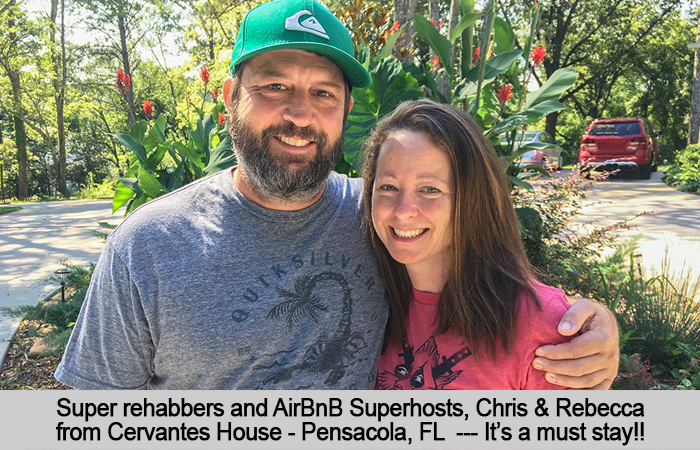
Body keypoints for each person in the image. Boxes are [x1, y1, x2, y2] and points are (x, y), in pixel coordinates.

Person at [55, 0, 618, 390]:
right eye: (274, 86)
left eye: (323, 93)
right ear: (230, 97)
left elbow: (486, 275)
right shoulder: (147, 246)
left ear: (347, 111)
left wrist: (589, 323)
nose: (299, 114)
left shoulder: (380, 216)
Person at [364, 100, 603, 390]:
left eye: (430, 189)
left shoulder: (540, 326)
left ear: (473, 199)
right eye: (388, 186)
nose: (403, 210)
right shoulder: (365, 292)